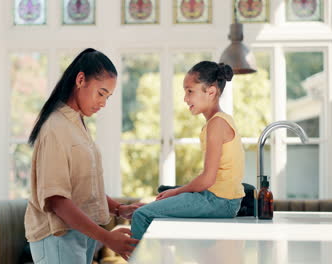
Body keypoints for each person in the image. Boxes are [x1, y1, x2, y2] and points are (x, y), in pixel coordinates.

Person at [25, 48, 143, 264]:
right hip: (58, 236)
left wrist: (118, 208)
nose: (103, 103)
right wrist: (108, 238)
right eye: (101, 93)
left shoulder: (76, 123)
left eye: (108, 96)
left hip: (80, 233)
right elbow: (57, 201)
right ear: (80, 80)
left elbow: (83, 187)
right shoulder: (55, 127)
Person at [130, 61, 245, 240]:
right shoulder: (221, 121)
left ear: (211, 91)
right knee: (153, 210)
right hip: (222, 200)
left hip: (218, 201)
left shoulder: (216, 124)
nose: (185, 98)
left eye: (190, 91)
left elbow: (208, 178)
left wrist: (176, 192)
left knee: (141, 216)